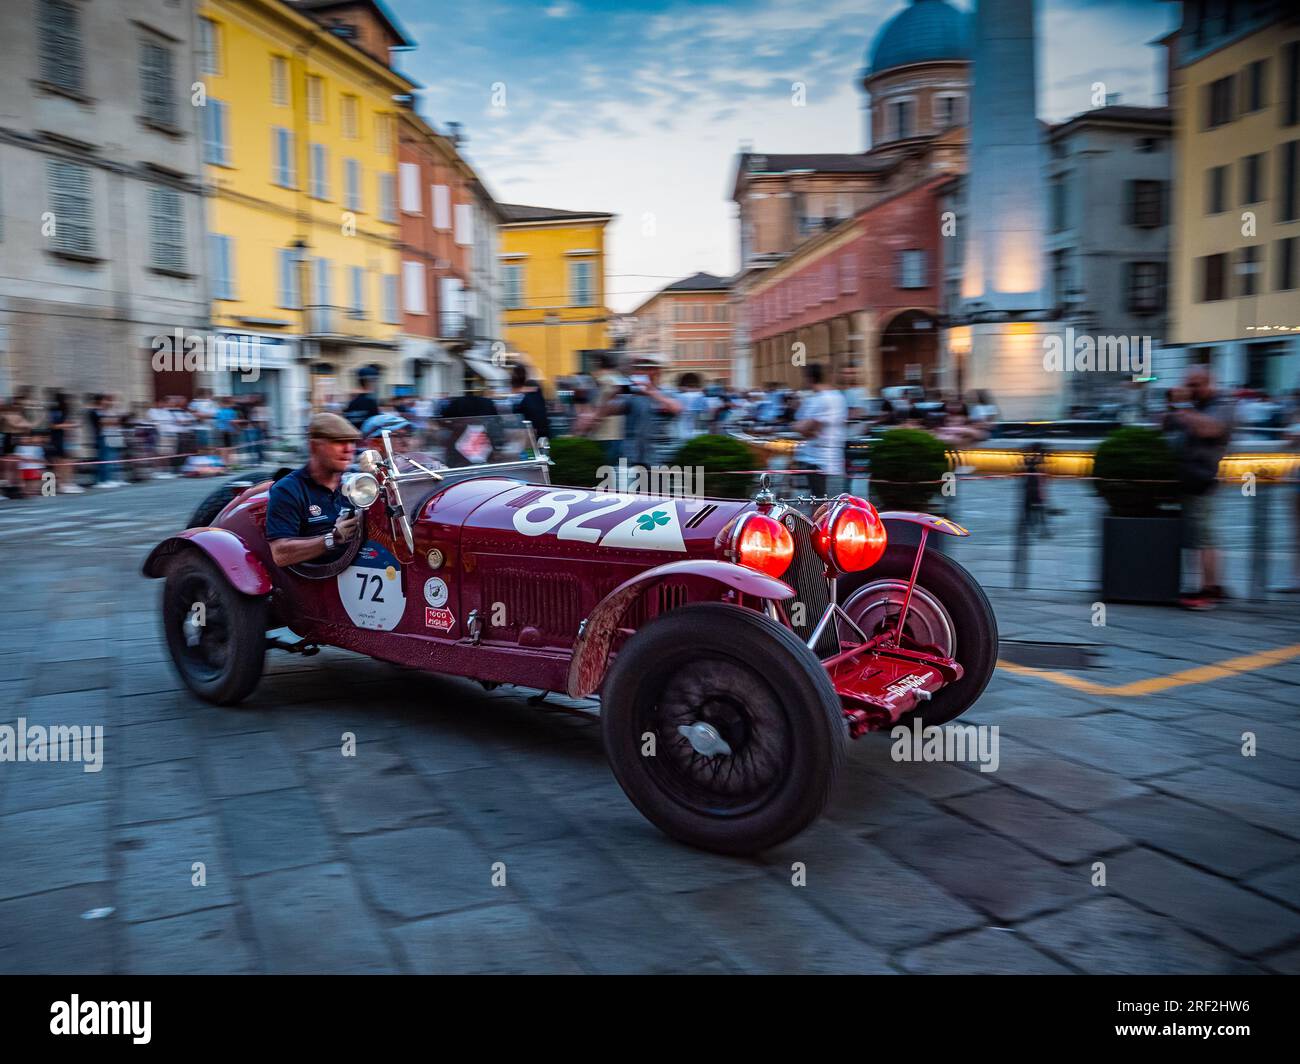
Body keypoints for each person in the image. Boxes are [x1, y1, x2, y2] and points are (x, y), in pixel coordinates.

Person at [1163, 368, 1234, 610]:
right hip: (1188, 478)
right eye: (1188, 385)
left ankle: (1209, 590)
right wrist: (1172, 407)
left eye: (1196, 385)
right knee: (1196, 536)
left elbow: (1209, 429)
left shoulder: (1223, 403)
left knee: (1205, 537)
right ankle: (1203, 586)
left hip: (1203, 478)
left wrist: (1183, 405)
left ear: (1209, 382)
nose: (1192, 390)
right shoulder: (1195, 406)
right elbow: (1165, 426)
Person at [265, 412, 362, 568]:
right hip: (317, 580)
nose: (348, 449)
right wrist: (333, 538)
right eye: (338, 442)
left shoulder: (360, 483)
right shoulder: (288, 490)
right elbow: (280, 553)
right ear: (314, 446)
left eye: (352, 441)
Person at [793, 362, 847, 498]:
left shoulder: (819, 400)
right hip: (835, 459)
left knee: (818, 503)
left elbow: (805, 428)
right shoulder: (838, 397)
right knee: (834, 503)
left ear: (809, 379)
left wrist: (800, 427)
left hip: (817, 460)